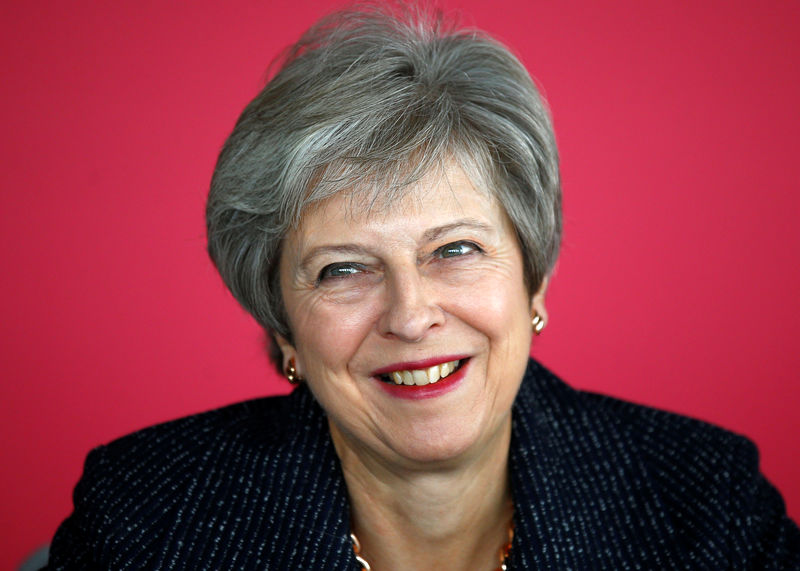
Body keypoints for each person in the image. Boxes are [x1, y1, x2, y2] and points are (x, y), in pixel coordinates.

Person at [46, 4, 799, 569]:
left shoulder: (706, 508)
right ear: (283, 328)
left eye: (456, 249)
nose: (411, 315)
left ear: (534, 281)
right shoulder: (145, 518)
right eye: (343, 268)